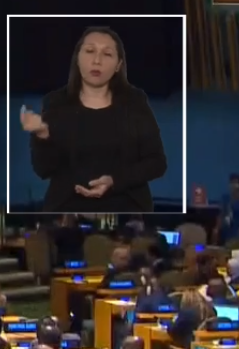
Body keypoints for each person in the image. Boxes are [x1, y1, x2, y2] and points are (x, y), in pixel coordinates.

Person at [19, 26, 167, 212]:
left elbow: (157, 163)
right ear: (77, 59)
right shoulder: (56, 102)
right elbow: (44, 170)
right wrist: (42, 134)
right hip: (67, 209)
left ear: (118, 65)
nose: (97, 61)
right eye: (90, 51)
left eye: (107, 54)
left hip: (126, 209)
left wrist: (114, 181)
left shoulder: (135, 102)